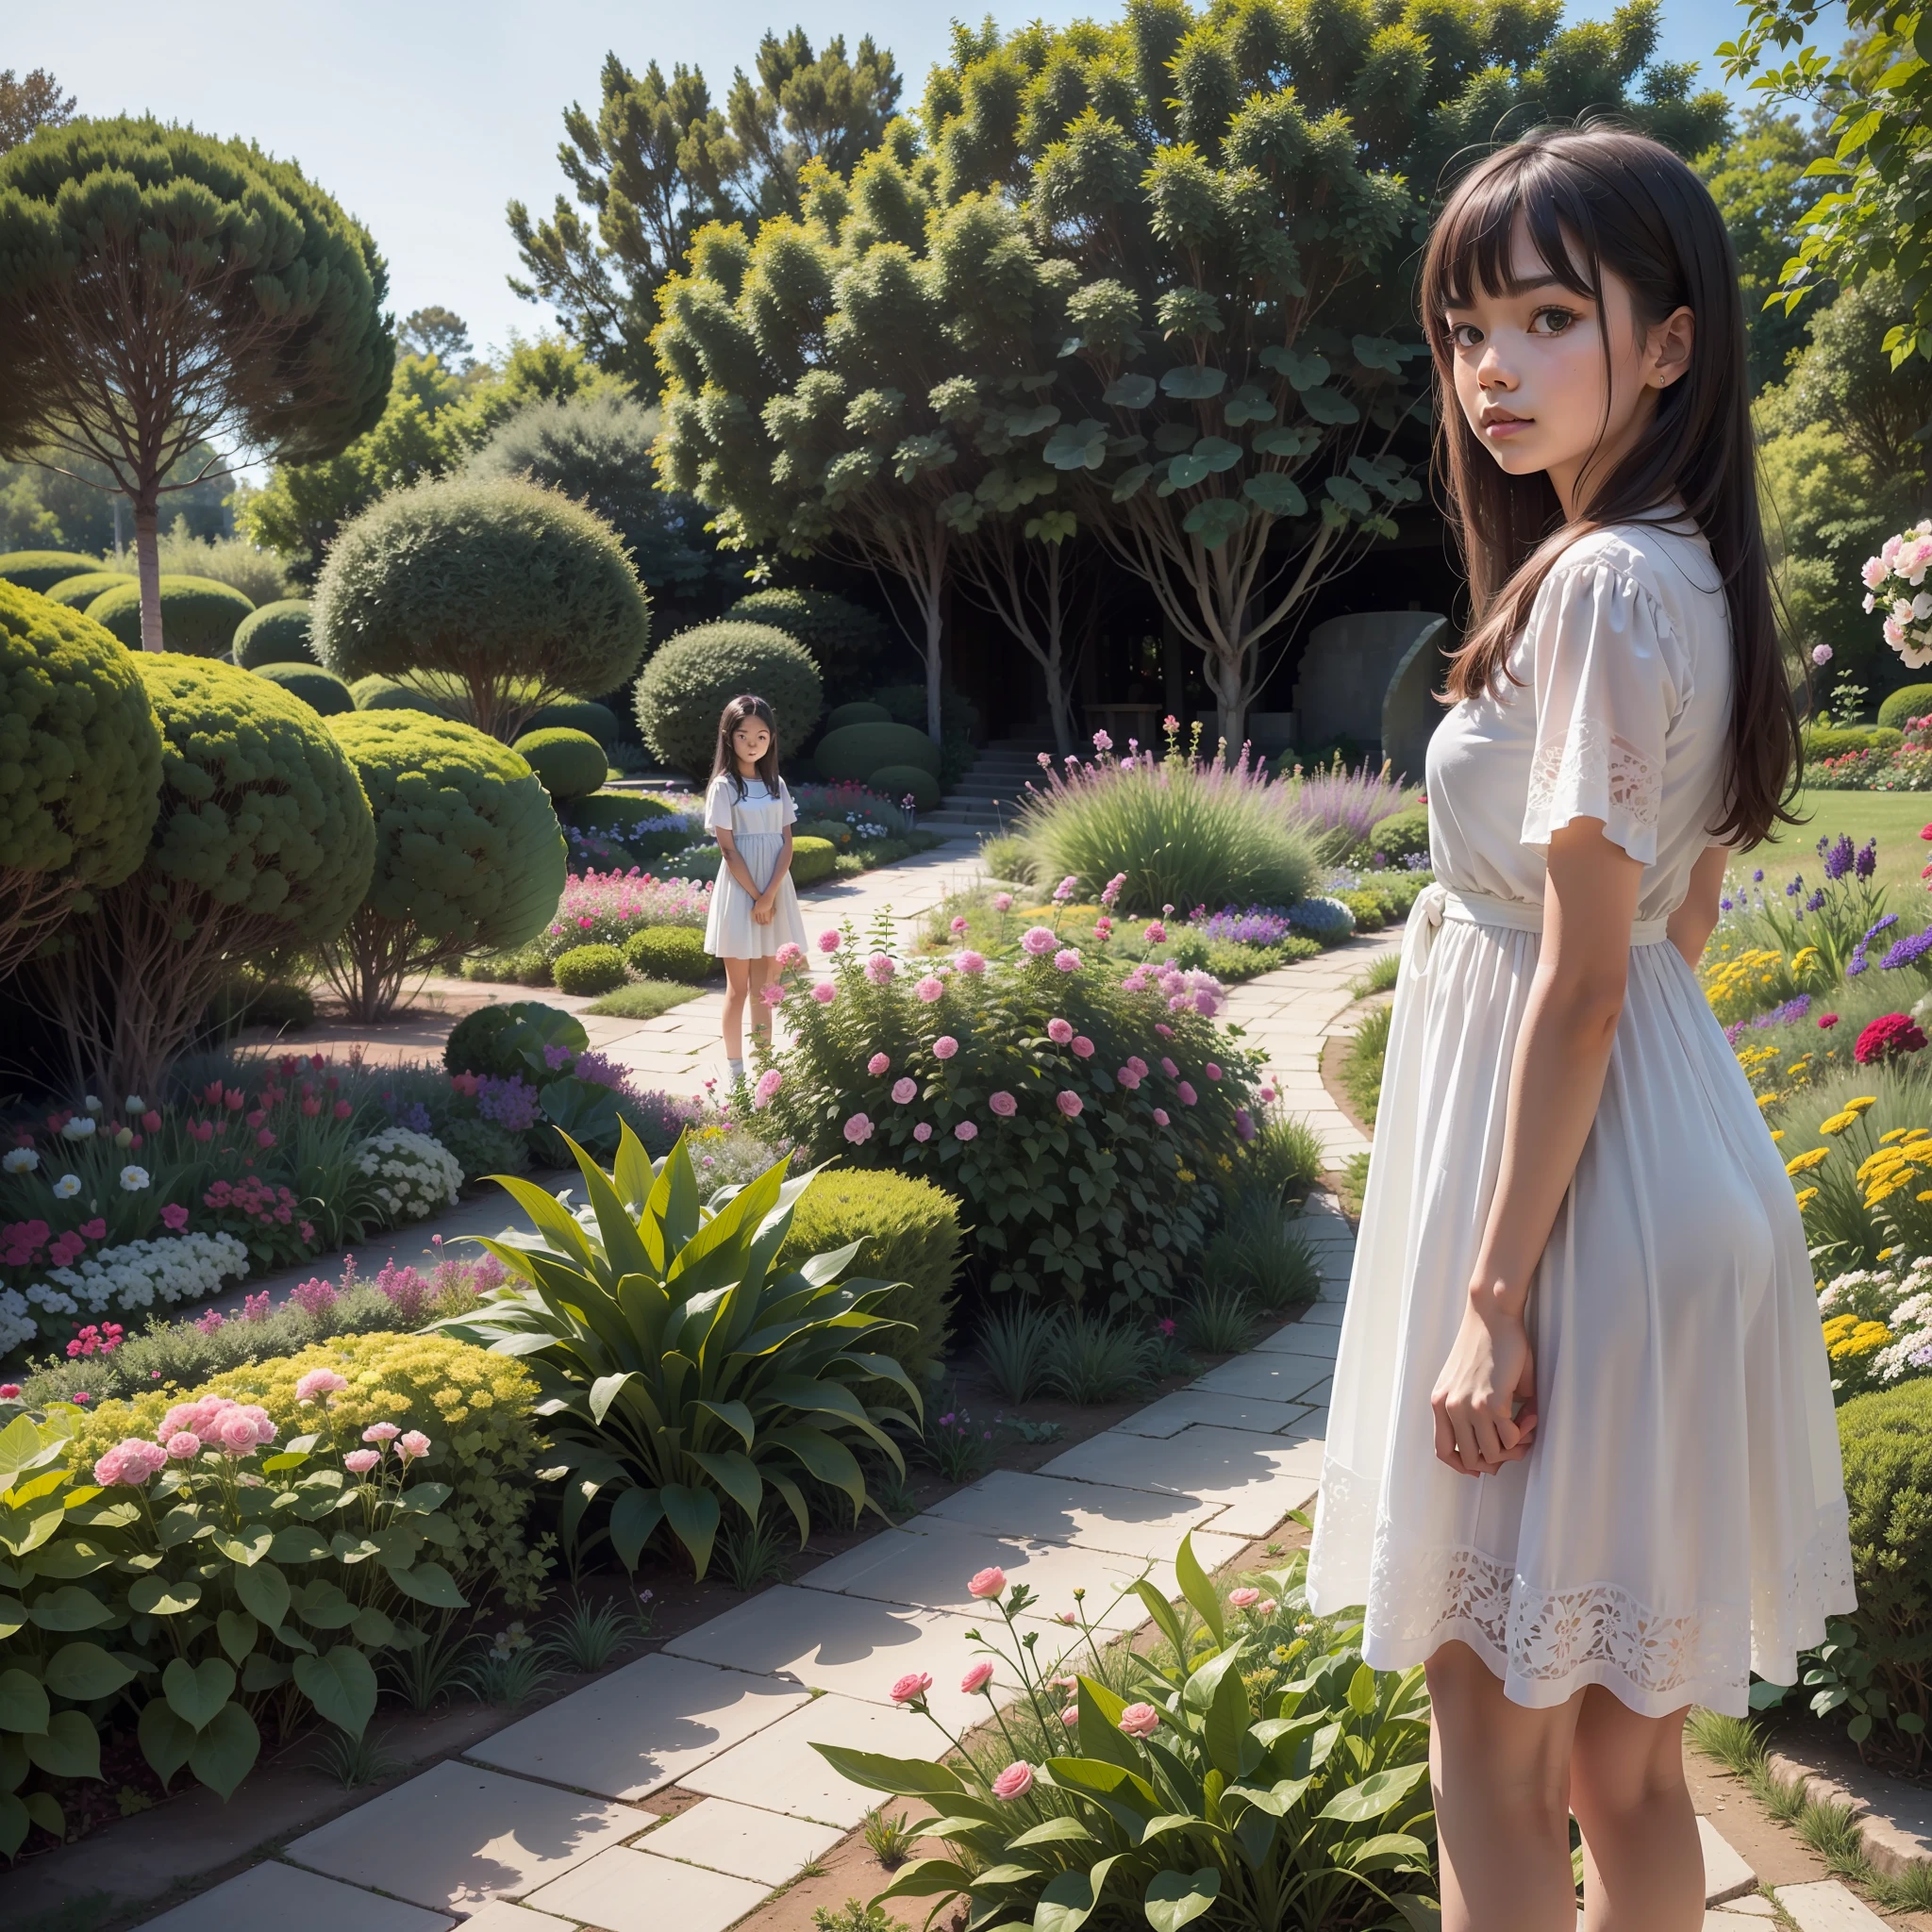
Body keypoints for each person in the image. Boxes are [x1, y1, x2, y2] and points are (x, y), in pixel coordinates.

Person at [1305, 125, 1854, 1931]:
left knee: (1491, 1747)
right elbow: (1684, 910)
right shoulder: (1675, 568)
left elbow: (1595, 966)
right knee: (1626, 1767)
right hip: (1670, 1172)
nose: (1492, 370)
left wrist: (1487, 1295)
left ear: (1670, 342)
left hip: (1569, 1217)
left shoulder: (1602, 580)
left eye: (1549, 316)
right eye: (1467, 328)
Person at [701, 694, 807, 1083]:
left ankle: (765, 1071)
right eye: (744, 735)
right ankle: (735, 1073)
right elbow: (728, 849)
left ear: (771, 740)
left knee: (768, 988)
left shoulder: (776, 784)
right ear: (729, 737)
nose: (753, 743)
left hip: (775, 893)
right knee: (738, 989)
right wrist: (757, 897)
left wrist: (771, 894)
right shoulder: (723, 787)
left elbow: (787, 844)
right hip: (740, 892)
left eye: (761, 736)